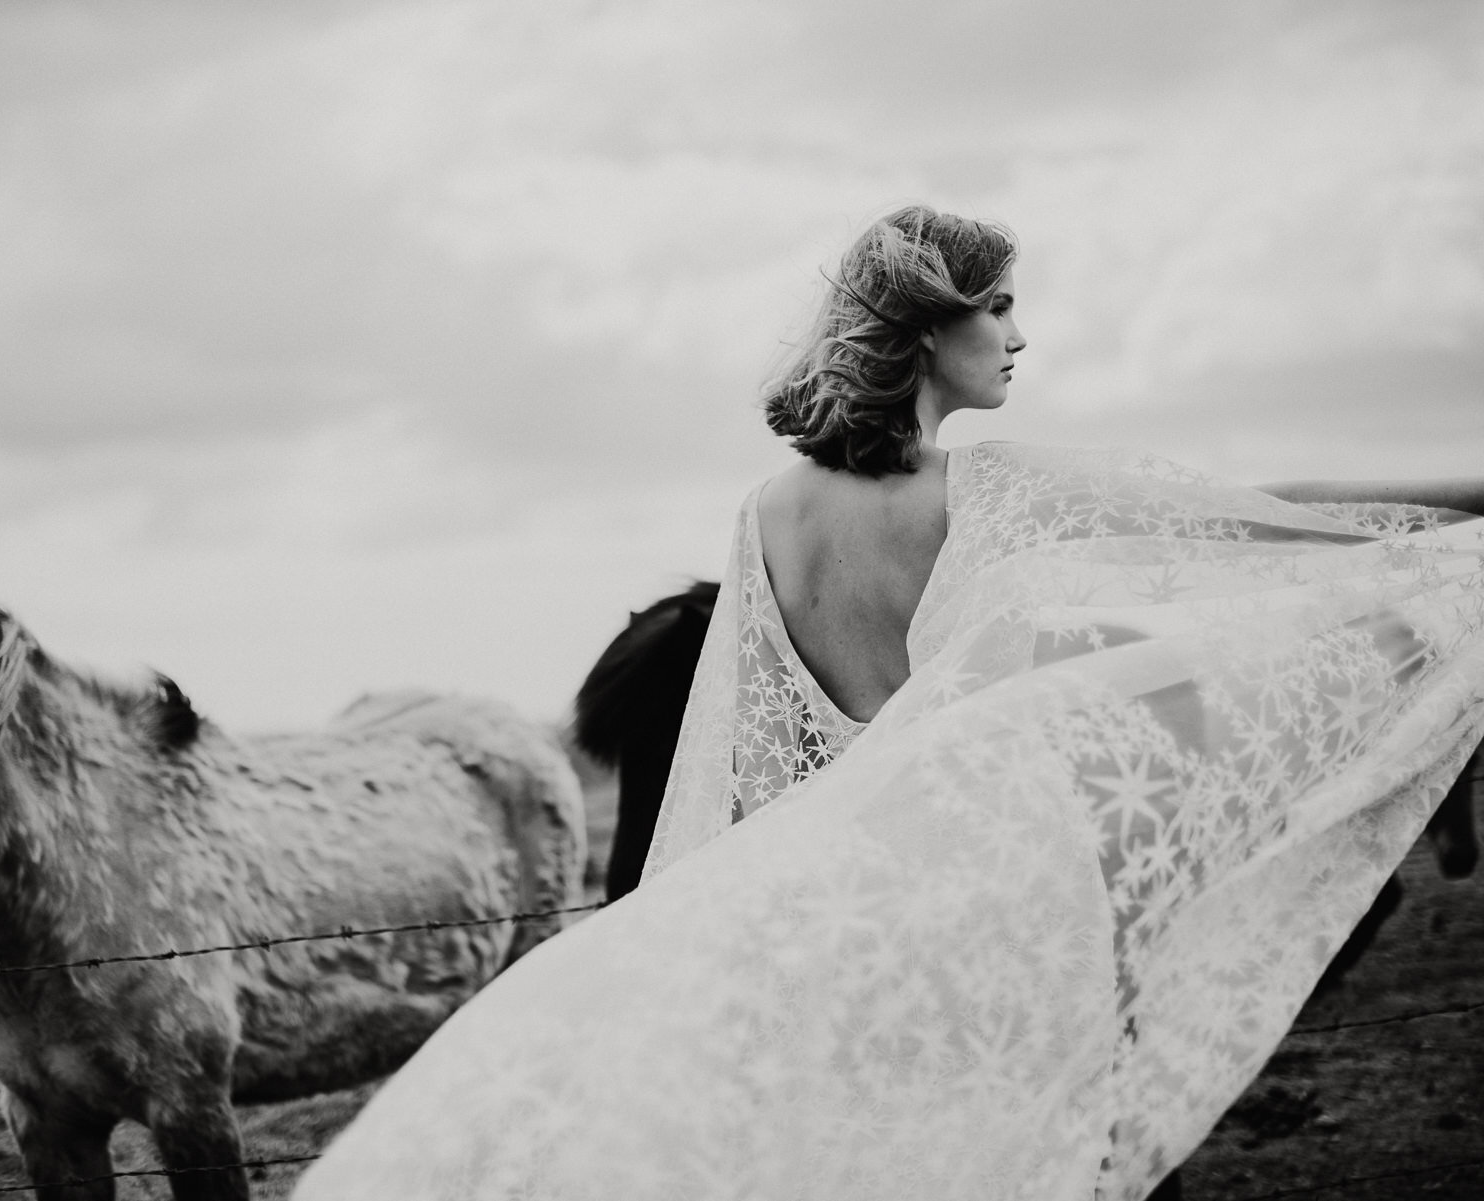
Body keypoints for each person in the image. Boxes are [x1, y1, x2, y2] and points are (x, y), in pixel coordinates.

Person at [292, 206, 1484, 1201]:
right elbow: (1249, 514)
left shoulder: (766, 514)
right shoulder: (986, 490)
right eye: (1000, 305)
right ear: (928, 326)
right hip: (985, 907)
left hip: (846, 913)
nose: (1022, 334)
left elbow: (751, 762)